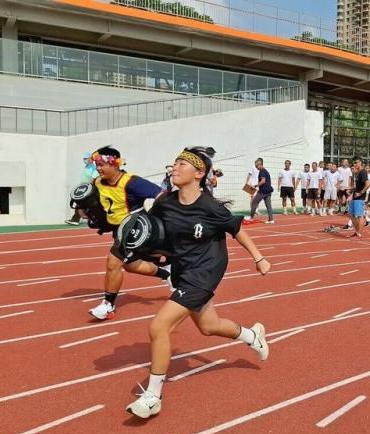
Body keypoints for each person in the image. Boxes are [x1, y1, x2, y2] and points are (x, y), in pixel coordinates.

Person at [125, 146, 271, 419]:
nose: (175, 168)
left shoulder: (210, 206)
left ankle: (153, 396)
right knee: (208, 326)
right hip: (181, 269)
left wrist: (259, 258)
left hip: (206, 271)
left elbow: (237, 229)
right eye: (175, 163)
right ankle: (252, 335)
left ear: (199, 173)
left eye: (182, 164)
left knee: (159, 326)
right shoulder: (165, 203)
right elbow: (154, 233)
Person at [86, 146, 167, 321]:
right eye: (96, 165)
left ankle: (108, 305)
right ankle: (167, 274)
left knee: (113, 262)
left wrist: (157, 218)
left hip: (135, 228)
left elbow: (162, 195)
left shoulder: (132, 182)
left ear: (114, 164)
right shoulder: (97, 182)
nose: (98, 168)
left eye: (101, 164)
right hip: (118, 231)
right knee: (130, 265)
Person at [66, 152, 100, 225]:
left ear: (91, 159)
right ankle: (76, 219)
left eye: (86, 158)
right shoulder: (86, 167)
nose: (84, 160)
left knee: (83, 204)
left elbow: (93, 179)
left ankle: (76, 219)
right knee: (81, 204)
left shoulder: (94, 168)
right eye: (84, 159)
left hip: (90, 189)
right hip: (84, 188)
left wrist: (88, 189)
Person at [348, 156, 370, 239]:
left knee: (359, 216)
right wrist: (350, 192)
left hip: (360, 198)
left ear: (360, 162)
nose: (354, 164)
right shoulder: (357, 173)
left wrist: (361, 193)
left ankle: (358, 233)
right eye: (353, 163)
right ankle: (357, 232)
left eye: (356, 162)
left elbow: (368, 184)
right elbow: (357, 187)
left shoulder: (363, 172)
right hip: (355, 197)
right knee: (351, 214)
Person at [249, 158, 274, 224]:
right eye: (255, 166)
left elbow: (263, 181)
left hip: (263, 191)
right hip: (269, 191)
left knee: (254, 203)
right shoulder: (266, 171)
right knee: (268, 205)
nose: (256, 167)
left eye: (257, 166)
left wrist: (256, 185)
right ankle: (271, 219)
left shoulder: (262, 171)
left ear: (260, 164)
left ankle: (251, 218)